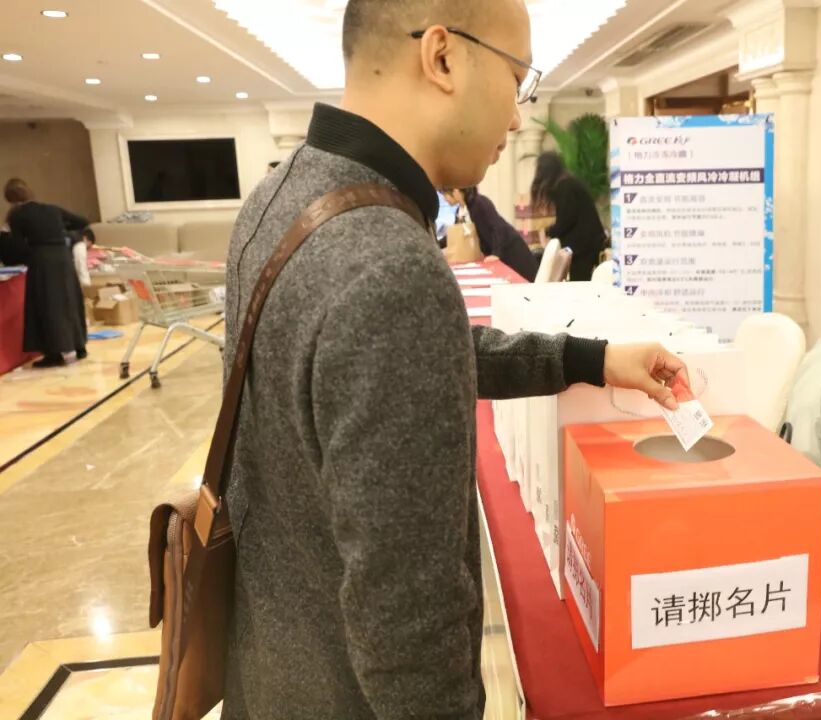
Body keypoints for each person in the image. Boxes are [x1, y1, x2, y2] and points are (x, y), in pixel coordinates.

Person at [219, 1, 689, 717]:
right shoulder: (389, 264)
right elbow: (408, 620)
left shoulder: (277, 197)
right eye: (517, 79)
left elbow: (401, 361)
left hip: (274, 669)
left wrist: (591, 359)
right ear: (442, 57)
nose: (518, 118)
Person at [4, 179, 88, 368]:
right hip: (63, 258)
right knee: (69, 301)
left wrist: (26, 255)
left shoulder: (17, 215)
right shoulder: (51, 209)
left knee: (47, 305)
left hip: (42, 260)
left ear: (10, 198)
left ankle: (54, 353)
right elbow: (82, 221)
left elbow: (17, 245)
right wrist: (62, 233)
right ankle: (79, 346)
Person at [531, 151, 606, 281]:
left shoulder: (565, 187)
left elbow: (566, 220)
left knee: (579, 282)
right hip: (588, 242)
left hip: (584, 246)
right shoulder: (568, 184)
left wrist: (548, 231)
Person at [444, 186, 539, 281]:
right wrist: (438, 244)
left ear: (456, 191)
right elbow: (455, 233)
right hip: (496, 251)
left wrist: (496, 253)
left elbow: (497, 227)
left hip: (510, 249)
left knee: (525, 280)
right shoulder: (461, 211)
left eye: (445, 194)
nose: (445, 199)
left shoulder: (480, 202)